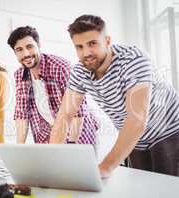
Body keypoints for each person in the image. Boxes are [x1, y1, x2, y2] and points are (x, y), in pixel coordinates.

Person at [50, 14, 179, 177]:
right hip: (137, 141)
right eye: (79, 47)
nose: (86, 53)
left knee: (168, 191)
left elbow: (137, 120)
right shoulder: (80, 71)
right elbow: (64, 116)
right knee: (144, 190)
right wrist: (52, 163)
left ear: (107, 41)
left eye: (92, 43)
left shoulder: (133, 59)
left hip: (169, 131)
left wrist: (105, 167)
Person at [7, 26, 99, 144]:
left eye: (29, 47)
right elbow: (21, 114)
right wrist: (19, 147)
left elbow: (78, 112)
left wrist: (71, 145)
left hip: (79, 136)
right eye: (19, 49)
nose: (26, 54)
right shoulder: (20, 75)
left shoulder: (61, 68)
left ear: (39, 45)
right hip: (49, 137)